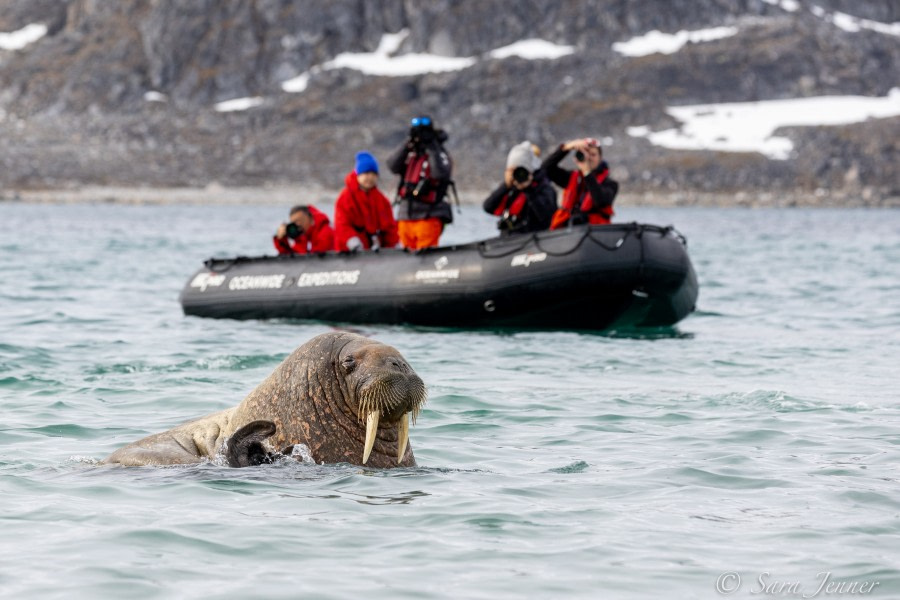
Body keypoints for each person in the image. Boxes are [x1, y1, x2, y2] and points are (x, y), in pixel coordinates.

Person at [387, 115, 454, 249]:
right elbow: (392, 166)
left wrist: (431, 146)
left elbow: (439, 173)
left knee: (425, 259)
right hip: (406, 215)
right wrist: (408, 142)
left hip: (429, 215)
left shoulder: (439, 153)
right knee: (407, 259)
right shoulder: (410, 152)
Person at [541, 137, 618, 229]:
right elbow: (546, 169)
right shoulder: (571, 178)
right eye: (586, 154)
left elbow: (600, 201)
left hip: (595, 231)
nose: (588, 158)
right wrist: (565, 148)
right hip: (568, 230)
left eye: (593, 155)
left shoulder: (610, 184)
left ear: (600, 158)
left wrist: (587, 172)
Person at [482, 141, 557, 235]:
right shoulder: (511, 189)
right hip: (509, 240)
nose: (516, 175)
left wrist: (528, 190)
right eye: (511, 170)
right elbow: (488, 207)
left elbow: (547, 219)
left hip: (535, 240)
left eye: (519, 170)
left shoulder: (544, 188)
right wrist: (506, 185)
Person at [333, 151, 399, 252]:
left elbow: (389, 228)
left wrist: (395, 245)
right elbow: (341, 224)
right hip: (350, 252)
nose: (370, 177)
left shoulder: (382, 200)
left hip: (376, 253)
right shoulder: (345, 197)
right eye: (366, 173)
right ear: (358, 175)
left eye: (374, 174)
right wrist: (351, 240)